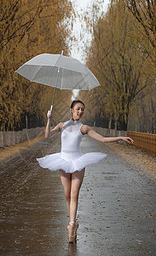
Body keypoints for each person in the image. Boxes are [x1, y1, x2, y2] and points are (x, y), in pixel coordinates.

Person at [37, 100, 134, 243]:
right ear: (71, 109)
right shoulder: (61, 125)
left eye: (82, 109)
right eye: (77, 109)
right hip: (63, 160)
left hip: (77, 162)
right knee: (67, 194)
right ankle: (74, 223)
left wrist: (120, 137)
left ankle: (71, 225)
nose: (80, 112)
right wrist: (49, 120)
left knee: (74, 193)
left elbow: (102, 139)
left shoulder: (83, 128)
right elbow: (47, 136)